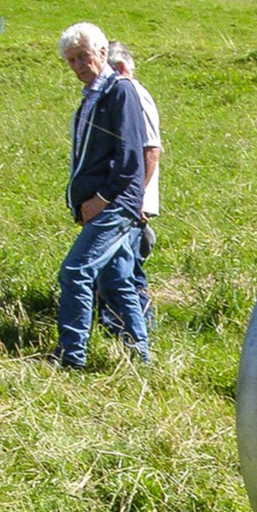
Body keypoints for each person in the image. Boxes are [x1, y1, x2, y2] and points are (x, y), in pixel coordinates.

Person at [50, 22, 149, 370]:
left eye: (83, 57)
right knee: (116, 280)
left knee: (75, 271)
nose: (78, 66)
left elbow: (130, 158)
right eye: (71, 61)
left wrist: (101, 200)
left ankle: (71, 356)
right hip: (103, 203)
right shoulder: (94, 95)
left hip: (115, 204)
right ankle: (140, 359)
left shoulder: (119, 91)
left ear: (103, 53)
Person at [97, 40, 160, 338]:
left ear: (120, 68)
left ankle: (132, 335)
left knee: (125, 270)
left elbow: (150, 150)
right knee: (120, 266)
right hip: (125, 199)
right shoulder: (123, 93)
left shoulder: (133, 93)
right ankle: (126, 331)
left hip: (130, 202)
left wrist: (136, 200)